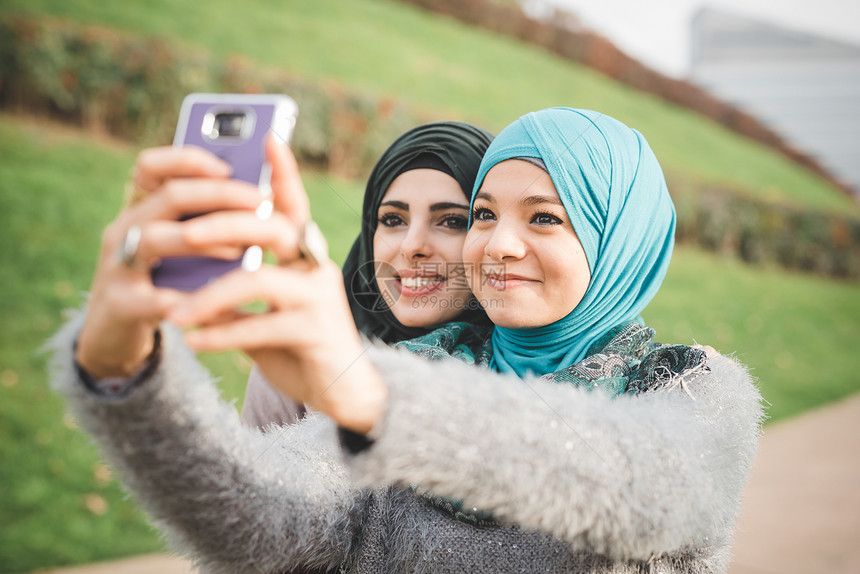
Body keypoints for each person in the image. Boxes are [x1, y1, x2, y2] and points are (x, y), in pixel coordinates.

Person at [51, 107, 762, 573]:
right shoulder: (421, 365)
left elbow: (638, 486)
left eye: (544, 219)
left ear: (620, 243)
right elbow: (262, 515)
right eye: (484, 214)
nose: (498, 245)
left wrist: (374, 399)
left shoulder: (694, 390)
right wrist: (125, 369)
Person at [239, 121, 494, 428]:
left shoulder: (526, 376)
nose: (412, 246)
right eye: (392, 219)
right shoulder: (297, 360)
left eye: (451, 221)